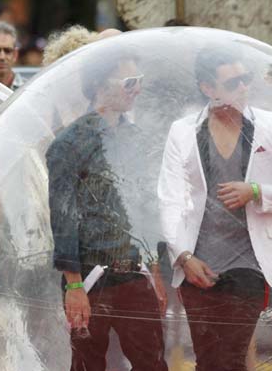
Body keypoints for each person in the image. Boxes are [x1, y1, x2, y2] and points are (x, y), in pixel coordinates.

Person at [157, 46, 272, 371]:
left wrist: (254, 191)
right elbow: (170, 198)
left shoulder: (271, 125)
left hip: (250, 263)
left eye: (246, 79)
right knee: (208, 359)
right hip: (197, 263)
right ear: (208, 88)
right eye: (233, 82)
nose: (243, 87)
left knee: (232, 356)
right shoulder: (184, 131)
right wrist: (182, 256)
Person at [47, 48, 168, 371]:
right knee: (88, 363)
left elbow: (144, 207)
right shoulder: (70, 143)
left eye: (139, 81)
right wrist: (73, 285)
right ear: (101, 84)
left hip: (132, 270)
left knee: (153, 362)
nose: (137, 89)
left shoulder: (134, 138)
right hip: (89, 274)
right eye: (130, 81)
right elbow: (63, 216)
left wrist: (156, 269)